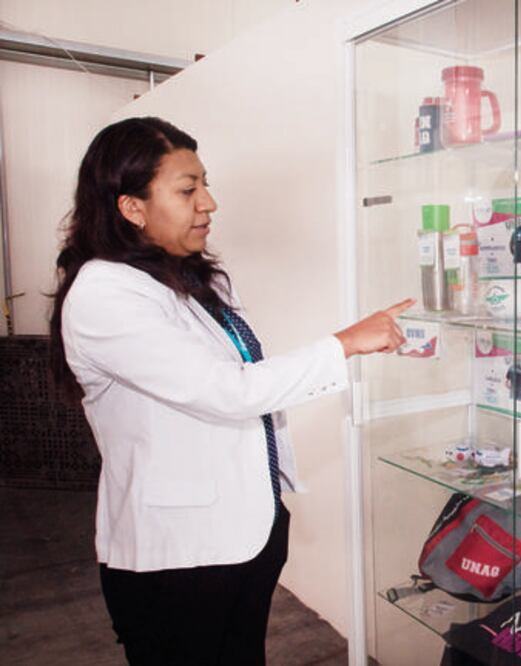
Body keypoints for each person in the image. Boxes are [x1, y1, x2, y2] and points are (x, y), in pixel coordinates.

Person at [48, 116, 411, 665]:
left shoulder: (191, 280)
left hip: (245, 531)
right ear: (131, 207)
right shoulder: (104, 293)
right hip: (178, 557)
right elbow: (229, 391)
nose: (209, 203)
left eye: (205, 184)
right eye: (188, 189)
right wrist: (345, 343)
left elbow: (244, 378)